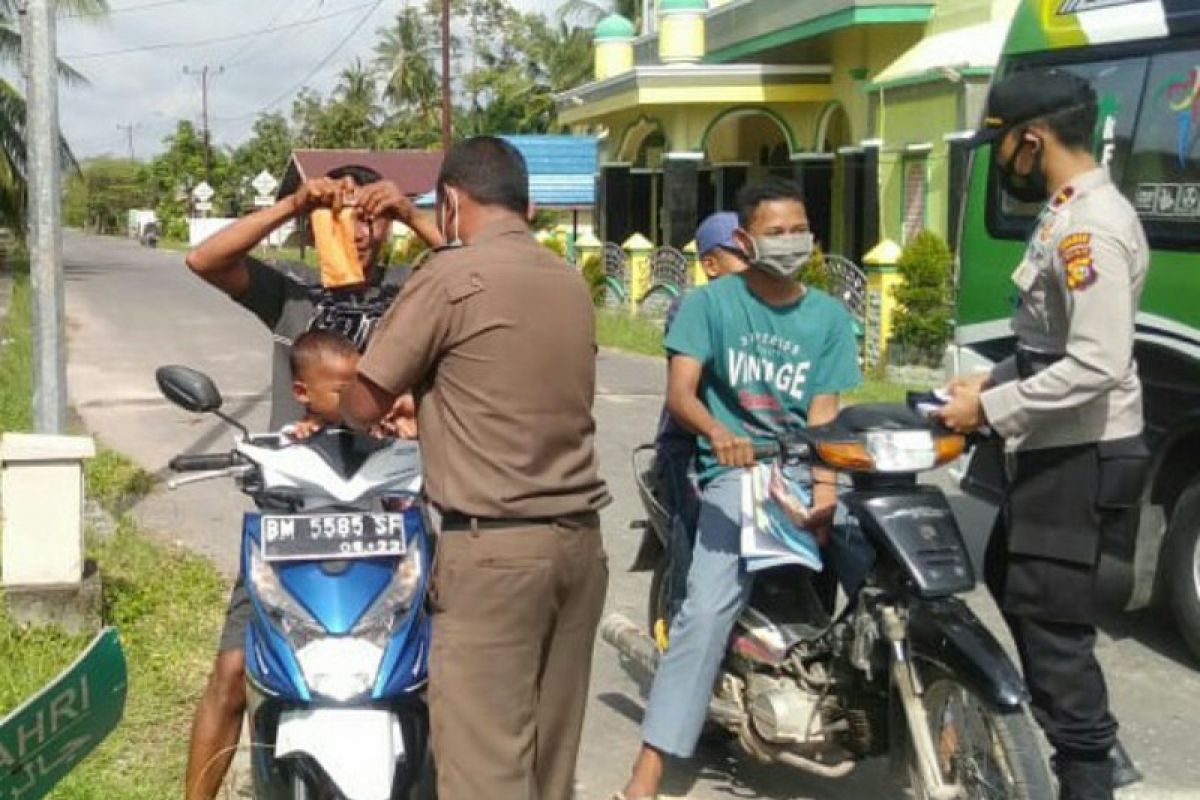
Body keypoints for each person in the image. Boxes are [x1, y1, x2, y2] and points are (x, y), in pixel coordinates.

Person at [340, 135, 611, 800]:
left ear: (453, 203)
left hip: (494, 554)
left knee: (484, 771)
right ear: (531, 204)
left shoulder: (449, 277)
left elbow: (364, 397)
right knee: (548, 771)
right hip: (578, 547)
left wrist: (372, 402)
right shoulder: (569, 281)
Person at [181, 164, 440, 800]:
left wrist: (412, 215)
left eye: (373, 216)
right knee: (233, 668)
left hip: (390, 506)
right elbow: (204, 260)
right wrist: (292, 204)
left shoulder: (416, 292)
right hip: (294, 512)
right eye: (345, 215)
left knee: (433, 667)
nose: (361, 230)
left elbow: (483, 272)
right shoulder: (294, 293)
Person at [936, 68, 1149, 800]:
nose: (1001, 161)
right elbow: (1050, 346)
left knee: (1054, 631)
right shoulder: (1068, 212)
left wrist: (990, 412)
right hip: (1056, 447)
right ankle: (1086, 741)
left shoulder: (1090, 226)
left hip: (1081, 455)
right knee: (1015, 581)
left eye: (1001, 146)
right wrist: (988, 384)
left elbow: (1097, 362)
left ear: (1031, 140)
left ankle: (1088, 765)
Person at [617, 177, 862, 800]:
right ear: (747, 240)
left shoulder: (830, 317)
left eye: (799, 230)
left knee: (879, 573)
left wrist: (827, 488)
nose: (790, 242)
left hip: (804, 465)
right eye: (776, 232)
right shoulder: (711, 304)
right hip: (734, 471)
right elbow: (681, 393)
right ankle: (647, 774)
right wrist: (718, 431)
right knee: (706, 608)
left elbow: (825, 415)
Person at [654, 211, 747, 628]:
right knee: (695, 530)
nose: (755, 263)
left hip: (756, 446)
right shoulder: (691, 308)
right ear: (711, 264)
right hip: (692, 442)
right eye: (741, 255)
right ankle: (680, 629)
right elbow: (687, 390)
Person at [285, 329, 360, 440]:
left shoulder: (367, 423)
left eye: (359, 389)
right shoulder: (300, 433)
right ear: (302, 392)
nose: (355, 398)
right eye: (342, 391)